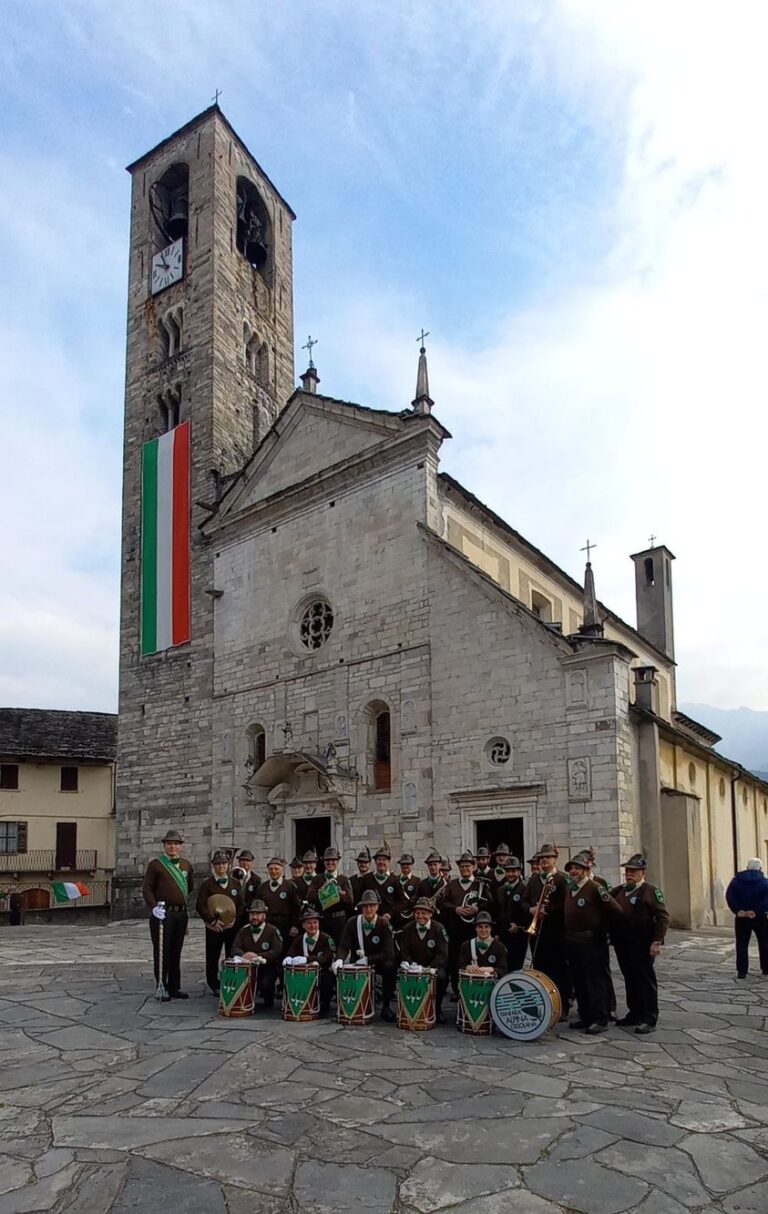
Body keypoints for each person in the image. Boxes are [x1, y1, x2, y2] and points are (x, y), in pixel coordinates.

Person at [563, 851, 623, 1034]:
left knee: (594, 981)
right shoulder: (570, 888)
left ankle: (600, 1018)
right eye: (572, 868)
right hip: (573, 941)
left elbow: (616, 909)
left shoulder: (595, 888)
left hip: (592, 943)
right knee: (579, 980)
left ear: (586, 870)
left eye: (577, 868)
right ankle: (585, 1016)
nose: (573, 871)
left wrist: (602, 931)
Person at [611, 853, 670, 1032]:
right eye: (628, 871)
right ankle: (634, 1012)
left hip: (642, 943)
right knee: (630, 978)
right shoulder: (619, 890)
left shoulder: (650, 891)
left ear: (642, 872)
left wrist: (657, 941)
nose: (629, 874)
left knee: (645, 980)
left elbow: (662, 917)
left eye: (634, 871)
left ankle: (649, 1016)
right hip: (623, 943)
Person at [142, 829, 194, 1001]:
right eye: (169, 843)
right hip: (163, 914)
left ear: (180, 847)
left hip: (180, 914)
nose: (173, 846)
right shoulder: (156, 865)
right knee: (162, 951)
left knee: (176, 951)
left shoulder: (187, 865)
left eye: (176, 844)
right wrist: (153, 907)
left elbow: (189, 888)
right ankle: (161, 985)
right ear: (164, 846)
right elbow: (147, 888)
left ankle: (174, 986)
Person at [524, 842, 570, 1018]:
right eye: (541, 858)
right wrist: (531, 909)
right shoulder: (534, 880)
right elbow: (524, 900)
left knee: (559, 969)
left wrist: (548, 910)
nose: (543, 861)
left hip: (556, 931)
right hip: (538, 933)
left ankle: (562, 1006)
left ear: (555, 859)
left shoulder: (562, 879)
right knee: (540, 969)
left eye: (547, 858)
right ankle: (544, 1003)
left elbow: (566, 904)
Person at [336, 889, 397, 1021]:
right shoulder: (352, 922)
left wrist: (369, 960)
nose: (368, 909)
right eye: (365, 906)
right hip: (357, 962)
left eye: (372, 906)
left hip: (378, 961)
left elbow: (389, 953)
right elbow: (343, 945)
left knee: (390, 967)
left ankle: (386, 1007)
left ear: (377, 907)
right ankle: (353, 1005)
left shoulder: (384, 924)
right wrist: (339, 960)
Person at [441, 850, 492, 997]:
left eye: (467, 866)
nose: (465, 869)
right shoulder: (451, 885)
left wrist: (477, 908)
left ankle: (475, 987)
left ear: (473, 867)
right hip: (455, 930)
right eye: (462, 866)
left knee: (474, 958)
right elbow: (443, 904)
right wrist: (455, 909)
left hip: (473, 930)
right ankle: (457, 990)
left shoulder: (480, 884)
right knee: (456, 959)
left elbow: (490, 904)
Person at [196, 850, 244, 996]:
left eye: (223, 864)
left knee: (232, 954)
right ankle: (214, 984)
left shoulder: (235, 883)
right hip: (214, 926)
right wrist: (212, 921)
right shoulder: (207, 884)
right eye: (218, 864)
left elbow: (241, 904)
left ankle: (232, 980)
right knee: (212, 956)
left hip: (231, 926)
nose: (221, 866)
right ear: (213, 866)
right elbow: (201, 905)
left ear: (228, 865)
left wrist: (235, 919)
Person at [398, 897, 449, 1021]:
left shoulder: (439, 929)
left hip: (431, 966)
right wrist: (411, 965)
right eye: (417, 913)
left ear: (430, 914)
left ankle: (437, 1008)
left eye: (424, 913)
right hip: (413, 966)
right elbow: (404, 951)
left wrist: (430, 968)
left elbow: (443, 954)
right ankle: (407, 1008)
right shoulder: (407, 928)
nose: (420, 916)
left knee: (442, 977)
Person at [284, 906, 336, 1017]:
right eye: (309, 923)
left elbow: (327, 958)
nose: (312, 926)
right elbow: (290, 953)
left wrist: (307, 959)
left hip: (322, 973)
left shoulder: (327, 939)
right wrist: (288, 959)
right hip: (303, 976)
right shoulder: (299, 939)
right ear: (303, 925)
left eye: (315, 922)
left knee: (328, 979)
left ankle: (323, 1004)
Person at [231, 899, 283, 1009]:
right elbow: (235, 947)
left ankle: (268, 999)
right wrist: (243, 955)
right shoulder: (243, 931)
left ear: (264, 916)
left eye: (258, 914)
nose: (254, 917)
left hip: (266, 967)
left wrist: (258, 956)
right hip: (247, 967)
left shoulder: (272, 931)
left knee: (266, 984)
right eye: (252, 914)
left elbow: (277, 950)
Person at [725, 857, 768, 979]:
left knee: (742, 944)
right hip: (759, 918)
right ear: (760, 868)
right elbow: (767, 900)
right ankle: (766, 967)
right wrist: (756, 911)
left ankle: (742, 971)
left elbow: (730, 896)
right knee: (764, 942)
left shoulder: (736, 881)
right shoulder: (764, 883)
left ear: (747, 867)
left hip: (742, 917)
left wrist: (738, 910)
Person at [307, 846, 353, 946]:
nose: (330, 863)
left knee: (340, 948)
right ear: (323, 862)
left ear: (337, 861)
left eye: (333, 860)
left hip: (339, 921)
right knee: (323, 948)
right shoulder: (317, 879)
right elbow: (310, 897)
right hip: (323, 920)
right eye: (327, 860)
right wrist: (324, 893)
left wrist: (339, 894)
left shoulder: (344, 879)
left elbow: (350, 901)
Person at [257, 857, 301, 947]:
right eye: (271, 869)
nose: (273, 871)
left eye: (276, 869)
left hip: (285, 925)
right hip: (268, 925)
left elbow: (296, 908)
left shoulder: (290, 886)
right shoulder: (262, 887)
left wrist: (295, 925)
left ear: (282, 870)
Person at [495, 856, 529, 971]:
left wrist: (519, 926)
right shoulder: (500, 890)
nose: (511, 874)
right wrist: (496, 932)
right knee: (502, 966)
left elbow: (527, 913)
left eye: (513, 871)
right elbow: (496, 912)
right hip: (502, 935)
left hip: (518, 936)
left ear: (519, 872)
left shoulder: (525, 889)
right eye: (508, 871)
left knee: (516, 966)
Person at [362, 846, 407, 924]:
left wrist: (390, 914)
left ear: (389, 861)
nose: (381, 862)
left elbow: (402, 902)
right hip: (371, 921)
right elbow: (361, 899)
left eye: (384, 860)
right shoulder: (367, 879)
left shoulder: (395, 880)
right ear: (375, 861)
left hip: (391, 922)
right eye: (379, 860)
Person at [457, 911, 508, 978]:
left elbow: (504, 971)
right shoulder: (466, 946)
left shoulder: (499, 947)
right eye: (480, 927)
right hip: (471, 985)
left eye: (486, 927)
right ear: (476, 928)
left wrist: (491, 969)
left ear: (491, 928)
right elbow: (459, 967)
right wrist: (467, 967)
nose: (483, 930)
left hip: (493, 986)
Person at [231, 849, 261, 929]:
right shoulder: (232, 876)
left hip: (248, 914)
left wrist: (245, 907)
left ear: (252, 863)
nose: (245, 863)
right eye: (242, 860)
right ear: (239, 862)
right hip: (233, 913)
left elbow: (257, 897)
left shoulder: (257, 880)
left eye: (248, 861)